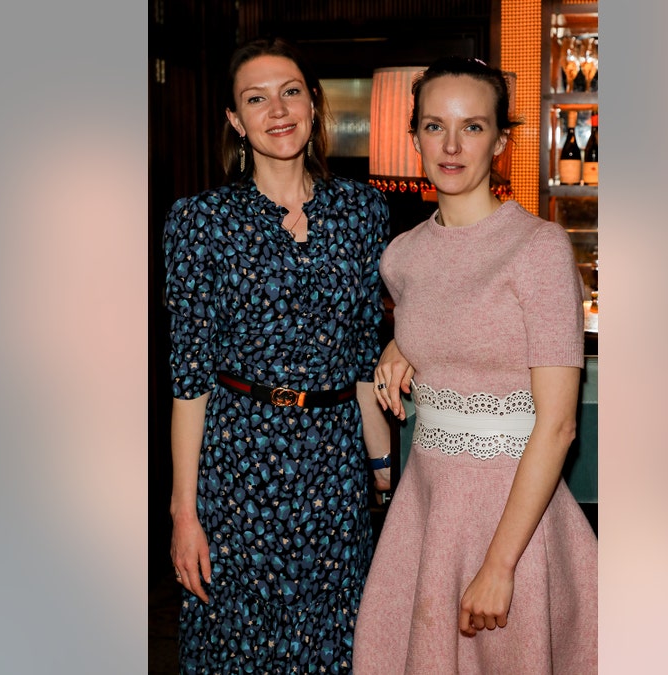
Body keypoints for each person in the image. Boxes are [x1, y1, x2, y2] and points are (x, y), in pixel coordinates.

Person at [352, 57, 598, 673]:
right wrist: (399, 345)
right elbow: (441, 323)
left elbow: (559, 424)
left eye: (473, 126)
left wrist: (499, 565)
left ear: (502, 141)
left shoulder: (539, 248)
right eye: (434, 126)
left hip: (513, 518)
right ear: (414, 139)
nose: (452, 145)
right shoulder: (401, 256)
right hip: (427, 507)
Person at [163, 37, 393, 673]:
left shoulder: (363, 209)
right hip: (238, 465)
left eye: (290, 92)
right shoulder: (199, 220)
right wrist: (185, 512)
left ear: (314, 106)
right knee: (239, 645)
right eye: (255, 99)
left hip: (334, 468)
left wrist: (381, 468)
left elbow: (361, 355)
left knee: (336, 643)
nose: (278, 110)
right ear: (236, 122)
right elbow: (189, 378)